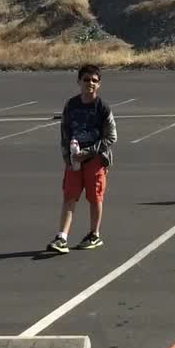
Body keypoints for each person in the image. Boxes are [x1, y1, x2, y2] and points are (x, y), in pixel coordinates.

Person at [46, 64, 117, 254]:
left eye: (94, 80)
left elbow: (111, 137)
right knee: (69, 196)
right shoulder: (71, 105)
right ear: (79, 81)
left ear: (99, 84)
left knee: (95, 198)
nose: (90, 83)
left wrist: (88, 152)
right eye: (86, 79)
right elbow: (65, 132)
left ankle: (94, 234)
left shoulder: (102, 108)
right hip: (74, 159)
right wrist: (68, 157)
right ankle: (62, 237)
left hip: (95, 159)